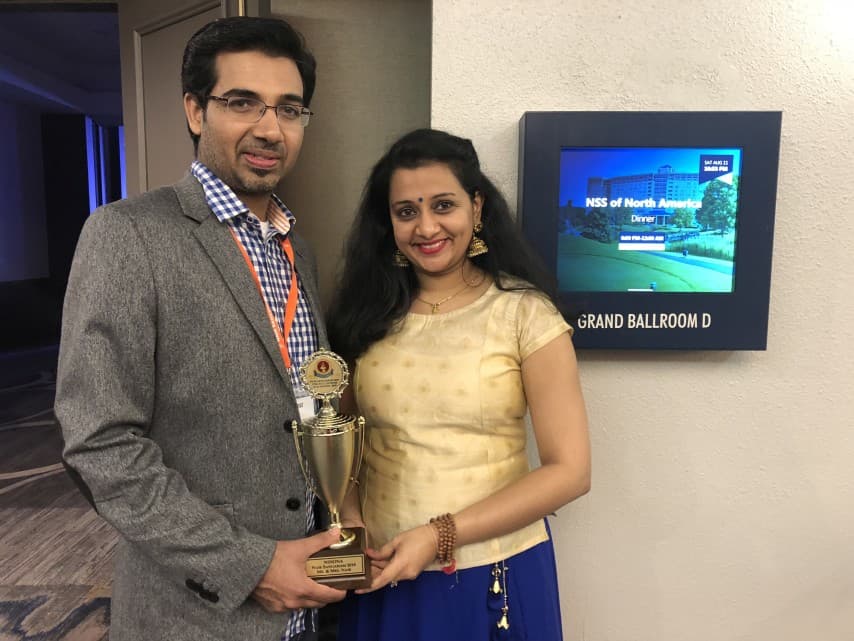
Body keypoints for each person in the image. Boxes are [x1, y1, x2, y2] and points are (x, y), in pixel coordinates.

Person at [55, 17, 345, 641]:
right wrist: (253, 565)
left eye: (289, 109)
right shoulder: (126, 234)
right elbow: (100, 445)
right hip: (197, 618)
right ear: (195, 110)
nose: (270, 128)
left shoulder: (299, 250)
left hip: (307, 614)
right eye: (242, 103)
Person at [326, 128, 591, 641]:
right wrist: (352, 526)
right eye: (406, 212)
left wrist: (438, 535)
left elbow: (571, 472)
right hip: (384, 572)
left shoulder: (524, 314)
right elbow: (346, 446)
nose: (426, 227)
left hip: (492, 571)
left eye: (443, 205)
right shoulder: (367, 317)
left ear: (477, 207)